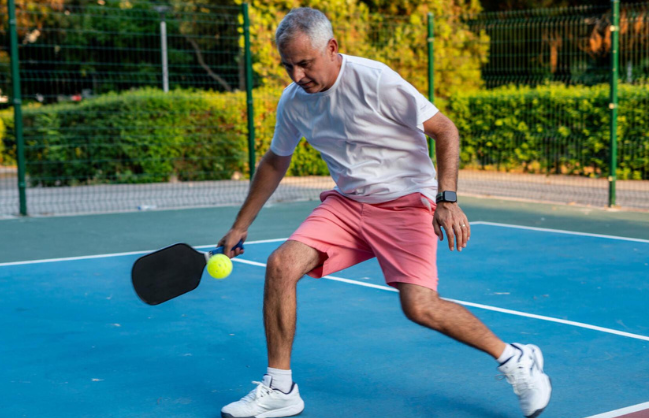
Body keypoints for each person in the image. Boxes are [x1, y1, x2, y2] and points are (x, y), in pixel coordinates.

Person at [217, 7, 551, 418]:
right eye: (288, 66)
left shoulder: (375, 80)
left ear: (332, 49)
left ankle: (515, 358)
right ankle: (280, 387)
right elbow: (275, 161)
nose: (297, 76)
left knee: (421, 307)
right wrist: (240, 225)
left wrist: (447, 199)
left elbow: (445, 130)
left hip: (407, 201)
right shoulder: (294, 102)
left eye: (305, 63)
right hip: (348, 204)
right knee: (281, 265)